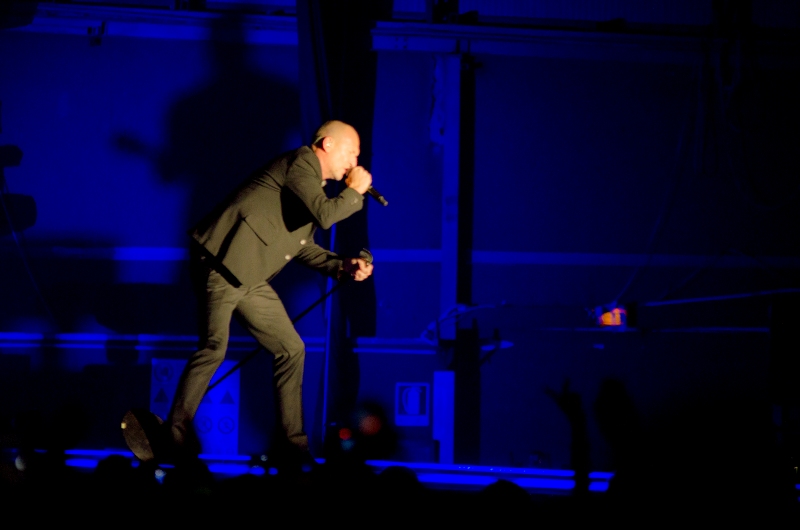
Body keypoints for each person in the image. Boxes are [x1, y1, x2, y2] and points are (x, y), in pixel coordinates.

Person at [163, 119, 374, 469]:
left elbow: (302, 245)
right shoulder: (301, 163)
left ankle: (294, 448)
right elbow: (326, 216)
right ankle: (174, 436)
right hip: (221, 261)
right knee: (214, 347)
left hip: (248, 275)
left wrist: (343, 264)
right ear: (327, 144)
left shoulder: (312, 184)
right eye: (351, 152)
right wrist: (354, 192)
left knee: (291, 349)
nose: (354, 161)